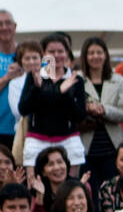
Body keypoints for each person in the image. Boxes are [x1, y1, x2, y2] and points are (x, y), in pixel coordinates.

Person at [18, 35, 86, 177]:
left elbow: (79, 116)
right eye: (51, 51)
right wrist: (36, 88)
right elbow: (23, 109)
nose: (56, 55)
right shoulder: (34, 76)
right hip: (37, 139)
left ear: (67, 53)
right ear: (44, 54)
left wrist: (65, 95)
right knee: (35, 188)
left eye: (60, 51)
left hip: (68, 139)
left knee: (70, 187)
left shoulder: (75, 79)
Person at [77, 37, 123, 189]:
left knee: (113, 191)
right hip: (85, 147)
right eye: (91, 53)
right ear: (85, 57)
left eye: (99, 52)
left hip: (112, 147)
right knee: (89, 191)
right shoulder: (78, 79)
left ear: (105, 55)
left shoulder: (117, 80)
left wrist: (104, 110)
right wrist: (87, 109)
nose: (95, 56)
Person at [0, 10, 19, 150]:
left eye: (8, 23)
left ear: (15, 26)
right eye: (0, 24)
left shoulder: (27, 54)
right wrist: (6, 78)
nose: (4, 27)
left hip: (23, 129)